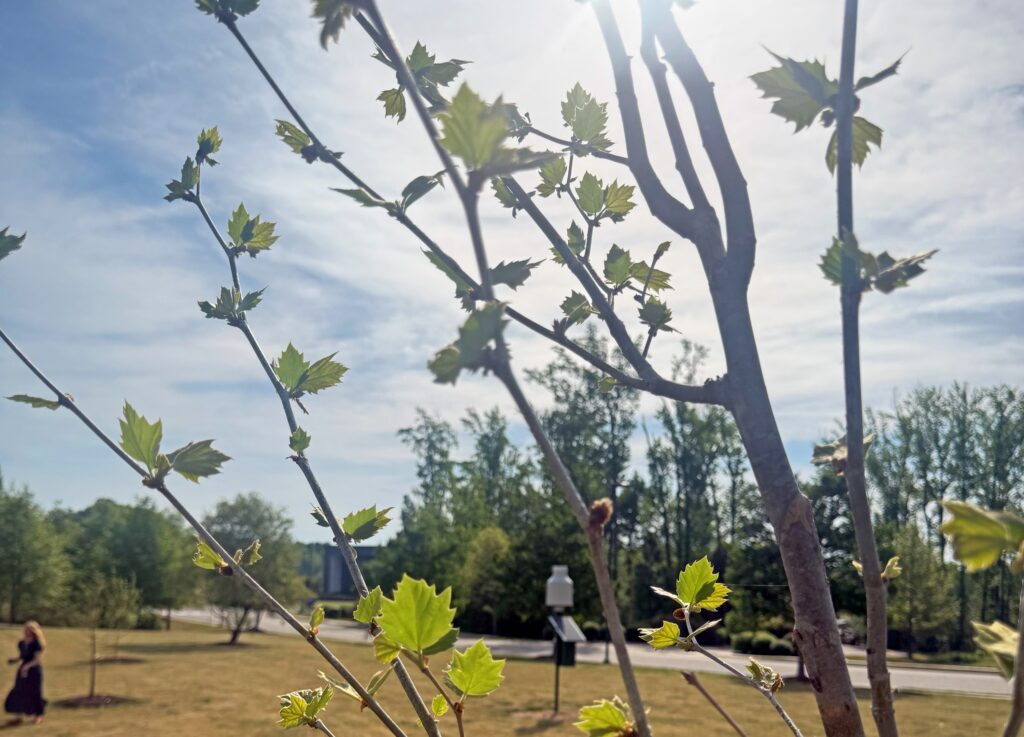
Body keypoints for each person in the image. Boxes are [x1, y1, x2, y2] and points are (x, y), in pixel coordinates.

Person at [4, 621, 46, 726]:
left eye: (29, 630)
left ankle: (38, 716)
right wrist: (15, 660)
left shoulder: (37, 644)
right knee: (18, 691)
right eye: (25, 629)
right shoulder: (22, 643)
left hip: (34, 671)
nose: (26, 631)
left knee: (34, 692)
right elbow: (23, 656)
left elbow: (37, 659)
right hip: (23, 670)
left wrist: (27, 666)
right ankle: (18, 716)